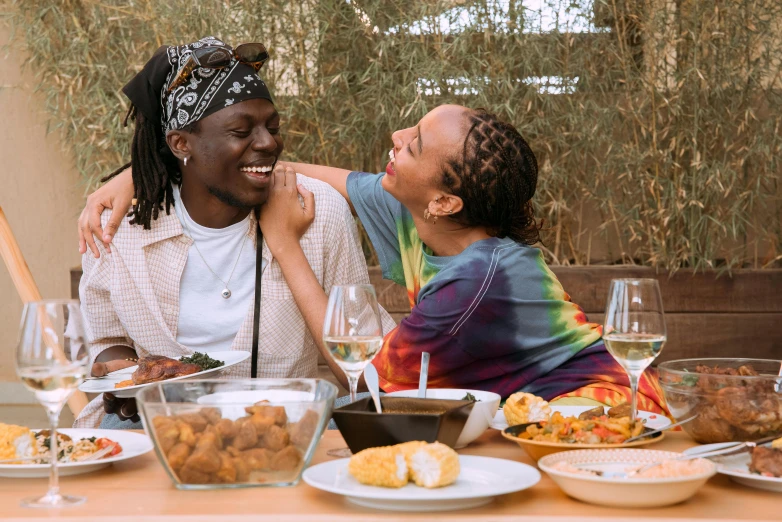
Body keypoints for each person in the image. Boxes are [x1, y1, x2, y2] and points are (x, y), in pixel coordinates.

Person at [80, 104, 667, 414]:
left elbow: (375, 378)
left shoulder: (479, 280)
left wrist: (284, 244)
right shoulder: (420, 217)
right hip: (527, 420)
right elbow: (286, 170)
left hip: (601, 414)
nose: (395, 134)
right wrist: (145, 172)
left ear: (444, 198)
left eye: (412, 144)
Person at [74, 36, 394, 429]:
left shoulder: (318, 210)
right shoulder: (117, 226)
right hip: (162, 425)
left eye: (272, 126)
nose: (268, 142)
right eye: (241, 132)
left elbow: (366, 368)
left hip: (290, 425)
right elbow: (107, 344)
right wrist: (126, 378)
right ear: (180, 143)